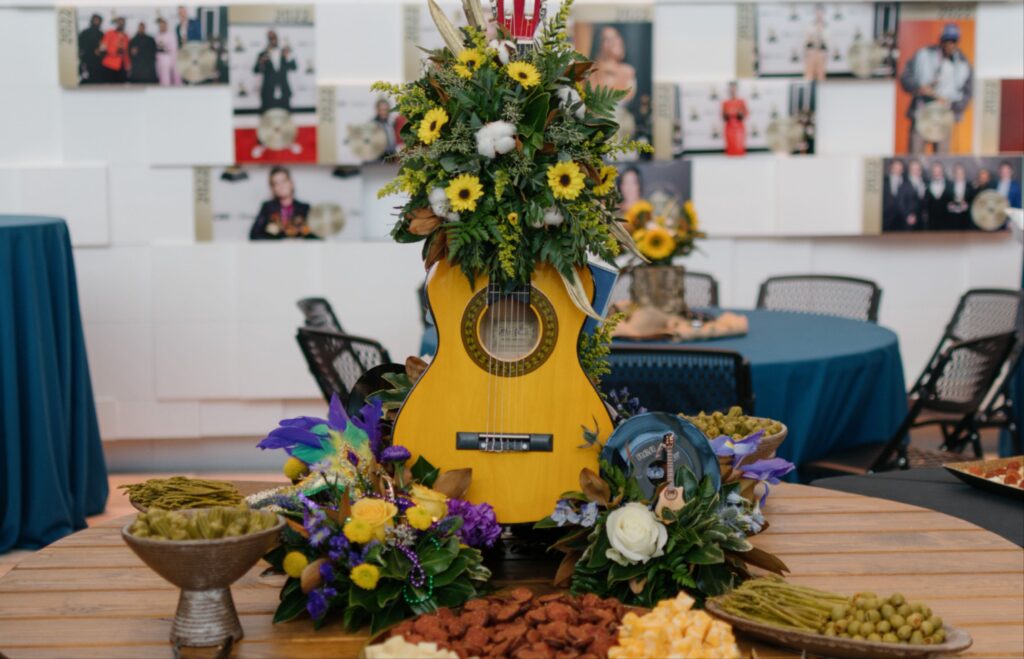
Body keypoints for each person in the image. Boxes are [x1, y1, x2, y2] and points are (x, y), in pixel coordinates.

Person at [899, 23, 973, 154]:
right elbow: (905, 77)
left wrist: (951, 104)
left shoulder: (963, 64)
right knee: (915, 156)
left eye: (953, 41)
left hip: (944, 116)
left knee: (941, 159)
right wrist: (919, 88)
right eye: (946, 41)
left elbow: (967, 93)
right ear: (941, 40)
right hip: (921, 112)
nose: (949, 44)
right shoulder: (924, 55)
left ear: (957, 42)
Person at [590, 26, 638, 141]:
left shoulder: (628, 71)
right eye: (609, 39)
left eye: (617, 37)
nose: (617, 42)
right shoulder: (591, 72)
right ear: (599, 45)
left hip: (625, 134)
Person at [249, 167, 319, 240]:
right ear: (273, 188)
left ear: (291, 183)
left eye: (284, 181)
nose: (281, 186)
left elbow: (316, 236)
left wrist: (300, 241)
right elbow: (254, 235)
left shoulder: (305, 208)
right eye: (276, 183)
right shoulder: (267, 207)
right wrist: (279, 242)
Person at [253, 30, 296, 112]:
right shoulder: (262, 54)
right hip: (268, 92)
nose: (273, 40)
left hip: (284, 91)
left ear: (277, 38)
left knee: (285, 116)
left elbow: (294, 67)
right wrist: (261, 63)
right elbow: (255, 70)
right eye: (270, 38)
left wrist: (289, 56)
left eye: (274, 38)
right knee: (267, 116)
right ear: (268, 39)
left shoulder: (285, 53)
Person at [882, 160, 918, 231]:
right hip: (886, 219)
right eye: (895, 168)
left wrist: (911, 214)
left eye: (899, 169)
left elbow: (912, 200)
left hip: (902, 220)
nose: (897, 171)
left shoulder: (907, 183)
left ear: (902, 170)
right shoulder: (884, 181)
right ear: (891, 168)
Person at [99, 17, 130, 83]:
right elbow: (103, 48)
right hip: (109, 65)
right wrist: (115, 51)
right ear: (116, 24)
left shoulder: (126, 36)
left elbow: (126, 52)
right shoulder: (109, 33)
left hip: (120, 66)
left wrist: (127, 64)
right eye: (119, 22)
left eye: (122, 23)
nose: (121, 24)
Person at [721, 81, 748, 156]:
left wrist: (741, 115)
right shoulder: (725, 103)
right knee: (730, 148)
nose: (732, 90)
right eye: (731, 89)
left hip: (739, 128)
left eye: (734, 88)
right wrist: (726, 115)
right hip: (729, 128)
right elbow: (723, 117)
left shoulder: (741, 102)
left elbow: (745, 114)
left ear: (737, 89)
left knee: (739, 147)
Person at [924, 161, 952, 230]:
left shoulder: (950, 185)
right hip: (931, 223)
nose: (937, 173)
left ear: (942, 171)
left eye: (939, 171)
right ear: (932, 172)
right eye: (935, 171)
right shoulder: (926, 185)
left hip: (947, 223)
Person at [803, 6, 828, 82]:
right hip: (811, 51)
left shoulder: (826, 27)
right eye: (817, 13)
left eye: (821, 13)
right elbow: (807, 39)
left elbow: (828, 40)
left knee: (821, 73)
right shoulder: (810, 26)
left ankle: (822, 86)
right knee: (809, 73)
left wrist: (821, 32)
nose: (819, 15)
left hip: (821, 52)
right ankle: (808, 85)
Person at [946, 162, 974, 230]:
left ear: (964, 174)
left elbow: (973, 202)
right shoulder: (949, 186)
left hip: (966, 219)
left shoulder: (970, 187)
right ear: (954, 174)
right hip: (952, 219)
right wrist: (949, 205)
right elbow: (945, 201)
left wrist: (967, 206)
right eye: (957, 173)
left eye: (961, 173)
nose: (959, 175)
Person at [78, 14, 104, 84]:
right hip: (86, 60)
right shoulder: (84, 32)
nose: (96, 22)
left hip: (98, 61)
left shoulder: (101, 34)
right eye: (95, 20)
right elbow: (80, 46)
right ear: (91, 21)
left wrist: (100, 51)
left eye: (98, 20)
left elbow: (103, 47)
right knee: (86, 80)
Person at [154, 18, 180, 86]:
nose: (162, 27)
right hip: (159, 59)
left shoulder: (171, 35)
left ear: (166, 26)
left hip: (169, 58)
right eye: (160, 25)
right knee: (161, 77)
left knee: (170, 77)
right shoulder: (157, 35)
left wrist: (165, 48)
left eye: (163, 25)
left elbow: (174, 49)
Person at [904, 159, 927, 230]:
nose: (916, 171)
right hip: (909, 219)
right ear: (909, 170)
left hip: (922, 219)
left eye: (918, 169)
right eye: (914, 169)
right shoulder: (904, 184)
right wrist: (907, 215)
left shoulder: (924, 182)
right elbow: (901, 203)